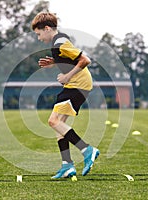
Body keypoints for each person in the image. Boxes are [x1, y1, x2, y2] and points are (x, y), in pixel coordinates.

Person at [31, 12, 99, 179]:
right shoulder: (58, 42)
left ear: (47, 28)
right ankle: (67, 165)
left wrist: (68, 76)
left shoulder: (60, 43)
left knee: (53, 121)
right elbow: (71, 58)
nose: (39, 38)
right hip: (74, 85)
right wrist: (55, 62)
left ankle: (87, 150)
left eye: (39, 34)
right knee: (58, 124)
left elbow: (85, 60)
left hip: (78, 85)